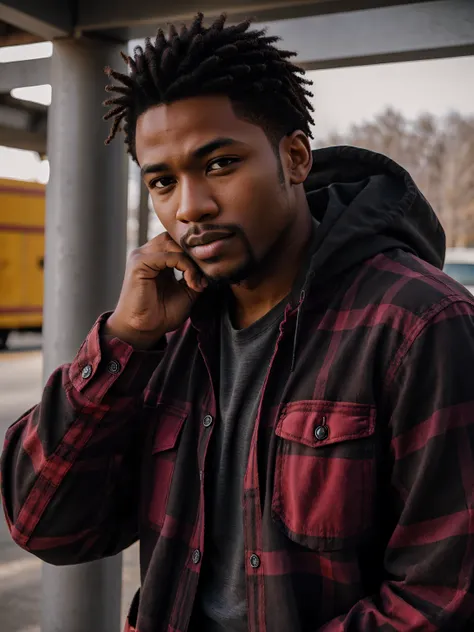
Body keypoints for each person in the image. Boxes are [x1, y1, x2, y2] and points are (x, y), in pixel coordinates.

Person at [1, 12, 474, 632]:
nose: (190, 206)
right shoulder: (166, 335)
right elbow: (47, 524)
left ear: (296, 157)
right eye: (163, 182)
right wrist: (123, 341)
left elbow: (443, 599)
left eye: (219, 164)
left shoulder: (418, 324)